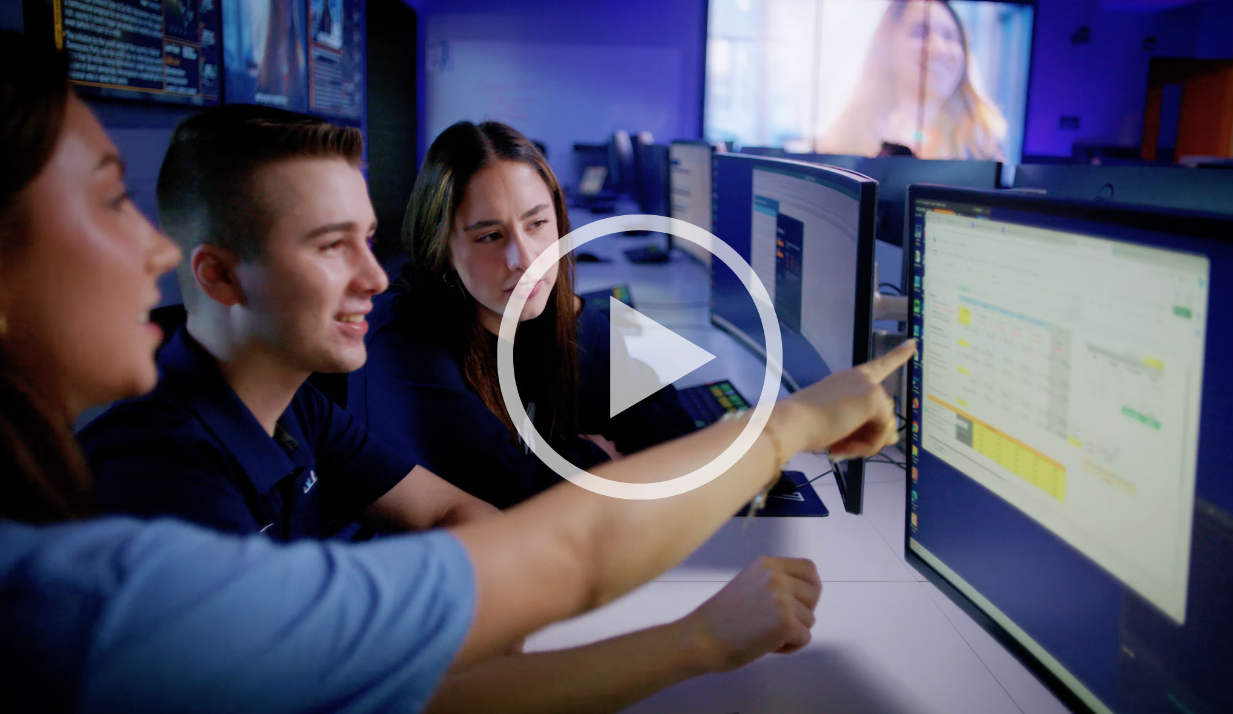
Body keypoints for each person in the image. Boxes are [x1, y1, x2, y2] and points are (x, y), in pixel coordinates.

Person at [0, 31, 915, 712]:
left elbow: (469, 524)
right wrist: (701, 626)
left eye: (540, 225)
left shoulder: (294, 409)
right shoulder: (153, 502)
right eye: (111, 200)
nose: (374, 277)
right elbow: (556, 545)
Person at [78, 105, 499, 541]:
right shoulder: (157, 475)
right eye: (333, 245)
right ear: (221, 276)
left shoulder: (294, 404)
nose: (376, 279)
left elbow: (447, 509)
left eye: (367, 239)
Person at [349, 120, 695, 509]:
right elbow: (510, 499)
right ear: (443, 247)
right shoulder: (402, 342)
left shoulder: (551, 308)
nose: (526, 259)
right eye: (489, 236)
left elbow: (670, 431)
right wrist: (599, 463)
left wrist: (590, 467)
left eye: (537, 223)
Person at [815, 0, 1006, 161]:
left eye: (950, 37)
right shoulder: (844, 139)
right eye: (920, 33)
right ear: (888, 46)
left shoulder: (982, 147)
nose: (938, 48)